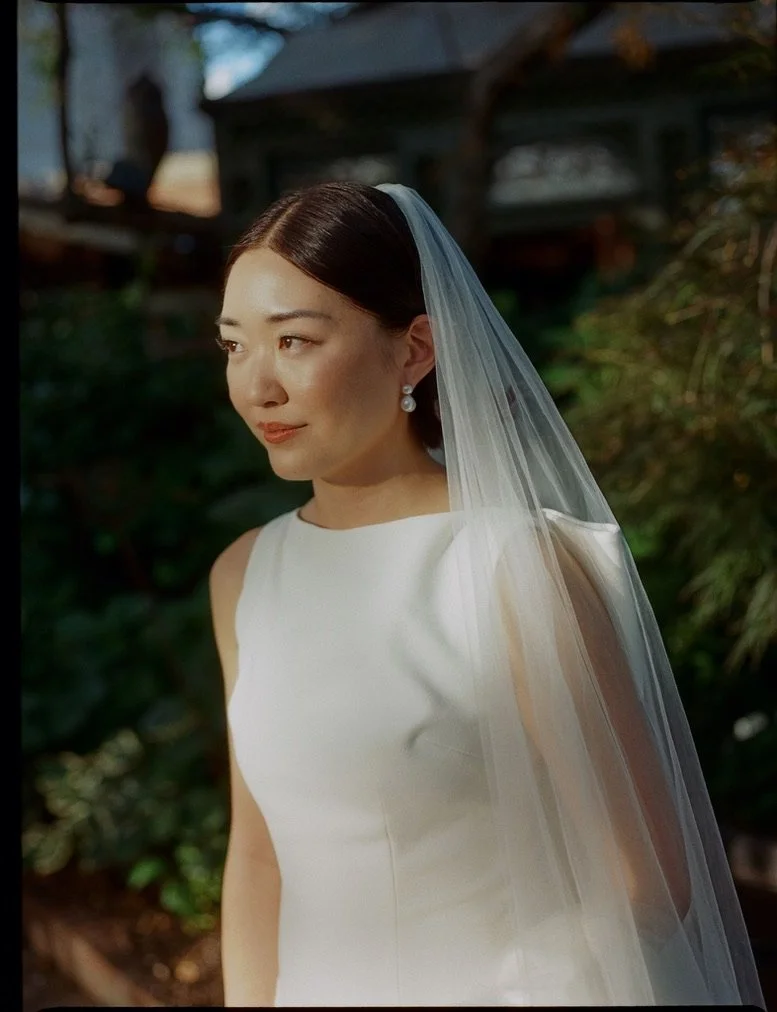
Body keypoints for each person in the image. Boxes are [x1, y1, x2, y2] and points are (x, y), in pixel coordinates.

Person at [208, 181, 765, 1008]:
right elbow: (256, 855)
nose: (258, 386)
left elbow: (644, 877)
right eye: (234, 347)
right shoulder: (245, 575)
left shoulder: (515, 564)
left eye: (293, 342)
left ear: (414, 349)